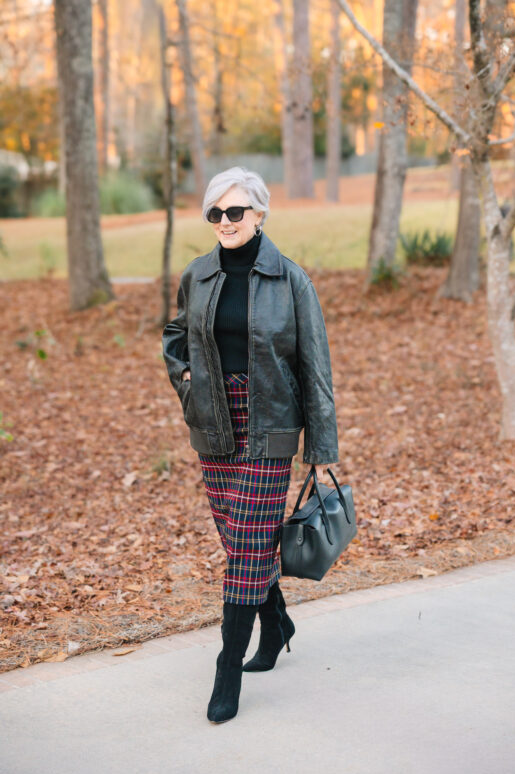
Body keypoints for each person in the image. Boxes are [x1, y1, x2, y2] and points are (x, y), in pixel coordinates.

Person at [162, 166, 339, 724]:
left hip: (271, 424)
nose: (224, 222)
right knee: (237, 539)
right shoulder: (198, 275)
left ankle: (226, 669)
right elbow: (175, 336)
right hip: (214, 422)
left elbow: (315, 365)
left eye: (234, 211)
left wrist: (320, 442)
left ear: (260, 213)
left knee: (246, 546)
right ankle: (277, 621)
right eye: (215, 212)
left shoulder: (291, 280)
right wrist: (185, 382)